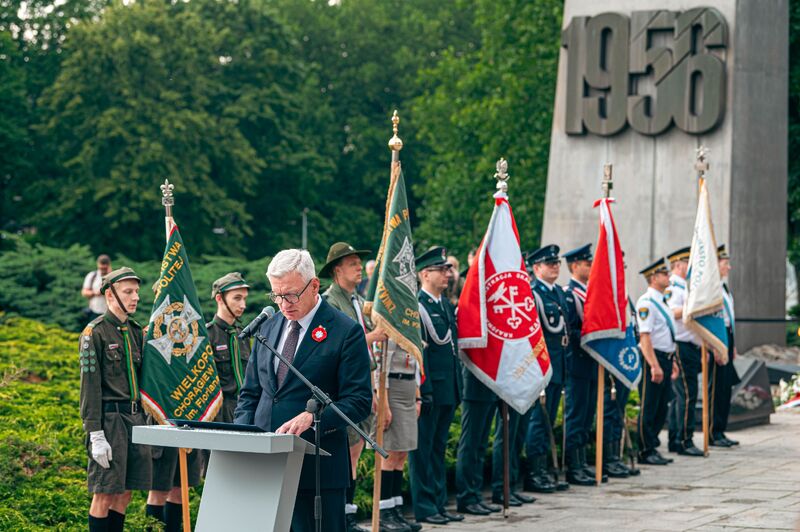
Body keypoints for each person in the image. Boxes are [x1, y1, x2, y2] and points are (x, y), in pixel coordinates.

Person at [234, 249, 372, 532]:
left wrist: (313, 418)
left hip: (317, 468)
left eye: (291, 295)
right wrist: (241, 441)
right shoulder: (268, 328)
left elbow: (358, 401)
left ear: (314, 286)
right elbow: (251, 394)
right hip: (266, 466)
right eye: (276, 295)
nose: (284, 304)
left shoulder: (345, 331)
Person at [318, 242, 390, 532]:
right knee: (346, 453)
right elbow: (339, 344)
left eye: (360, 263)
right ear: (337, 270)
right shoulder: (331, 302)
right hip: (341, 388)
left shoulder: (356, 300)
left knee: (356, 449)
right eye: (352, 264)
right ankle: (342, 517)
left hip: (358, 383)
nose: (359, 267)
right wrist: (372, 336)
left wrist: (370, 389)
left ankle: (348, 513)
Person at [79, 267, 152, 532]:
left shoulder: (134, 331)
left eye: (137, 292)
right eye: (128, 292)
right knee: (105, 493)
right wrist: (95, 433)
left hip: (135, 420)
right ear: (110, 294)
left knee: (126, 493)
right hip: (109, 423)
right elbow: (90, 387)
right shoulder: (94, 332)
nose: (136, 298)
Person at [408, 247, 464, 525]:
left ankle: (439, 503)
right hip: (430, 390)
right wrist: (424, 390)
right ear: (424, 274)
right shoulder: (418, 306)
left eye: (447, 269)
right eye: (441, 270)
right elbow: (422, 353)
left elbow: (451, 349)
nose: (447, 274)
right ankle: (425, 506)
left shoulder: (443, 304)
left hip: (448, 388)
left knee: (438, 449)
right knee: (423, 452)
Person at [523, 245, 571, 494]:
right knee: (538, 421)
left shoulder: (558, 293)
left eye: (557, 263)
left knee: (548, 418)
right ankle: (534, 472)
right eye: (549, 263)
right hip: (542, 365)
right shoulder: (534, 294)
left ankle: (544, 470)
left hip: (558, 363)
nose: (555, 266)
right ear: (536, 268)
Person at [562, 244, 604, 485]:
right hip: (577, 362)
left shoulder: (589, 291)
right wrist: (591, 336)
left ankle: (582, 462)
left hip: (590, 362)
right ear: (575, 266)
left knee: (588, 414)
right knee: (577, 415)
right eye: (587, 264)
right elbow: (570, 329)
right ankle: (573, 466)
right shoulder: (570, 294)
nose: (591, 267)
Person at [636, 258, 678, 466]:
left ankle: (653, 444)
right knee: (649, 405)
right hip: (653, 358)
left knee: (662, 406)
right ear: (653, 278)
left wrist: (673, 360)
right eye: (664, 274)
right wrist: (654, 365)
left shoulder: (662, 301)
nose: (668, 276)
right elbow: (645, 338)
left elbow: (667, 334)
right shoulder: (647, 303)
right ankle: (645, 449)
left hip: (666, 357)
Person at [665, 247, 705, 457]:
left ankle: (676, 438)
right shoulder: (674, 288)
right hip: (681, 345)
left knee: (682, 396)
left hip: (689, 346)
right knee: (687, 395)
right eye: (687, 262)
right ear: (678, 265)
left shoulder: (683, 288)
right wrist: (693, 305)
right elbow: (671, 313)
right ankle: (684, 439)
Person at [455, 356, 501, 516]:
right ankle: (466, 496)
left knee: (480, 446)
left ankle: (475, 494)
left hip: (489, 382)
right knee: (470, 444)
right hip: (474, 384)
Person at [710, 244, 740, 447]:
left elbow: (730, 319)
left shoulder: (724, 288)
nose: (728, 268)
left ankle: (721, 429)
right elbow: (712, 320)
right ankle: (713, 432)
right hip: (717, 340)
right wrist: (715, 346)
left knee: (725, 388)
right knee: (716, 388)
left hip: (727, 339)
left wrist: (733, 345)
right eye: (725, 264)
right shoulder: (711, 290)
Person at [82, 255, 112, 322]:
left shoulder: (112, 277)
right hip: (94, 311)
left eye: (105, 268)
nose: (103, 269)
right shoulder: (92, 276)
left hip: (109, 312)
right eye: (101, 267)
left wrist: (110, 274)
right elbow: (84, 292)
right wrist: (95, 293)